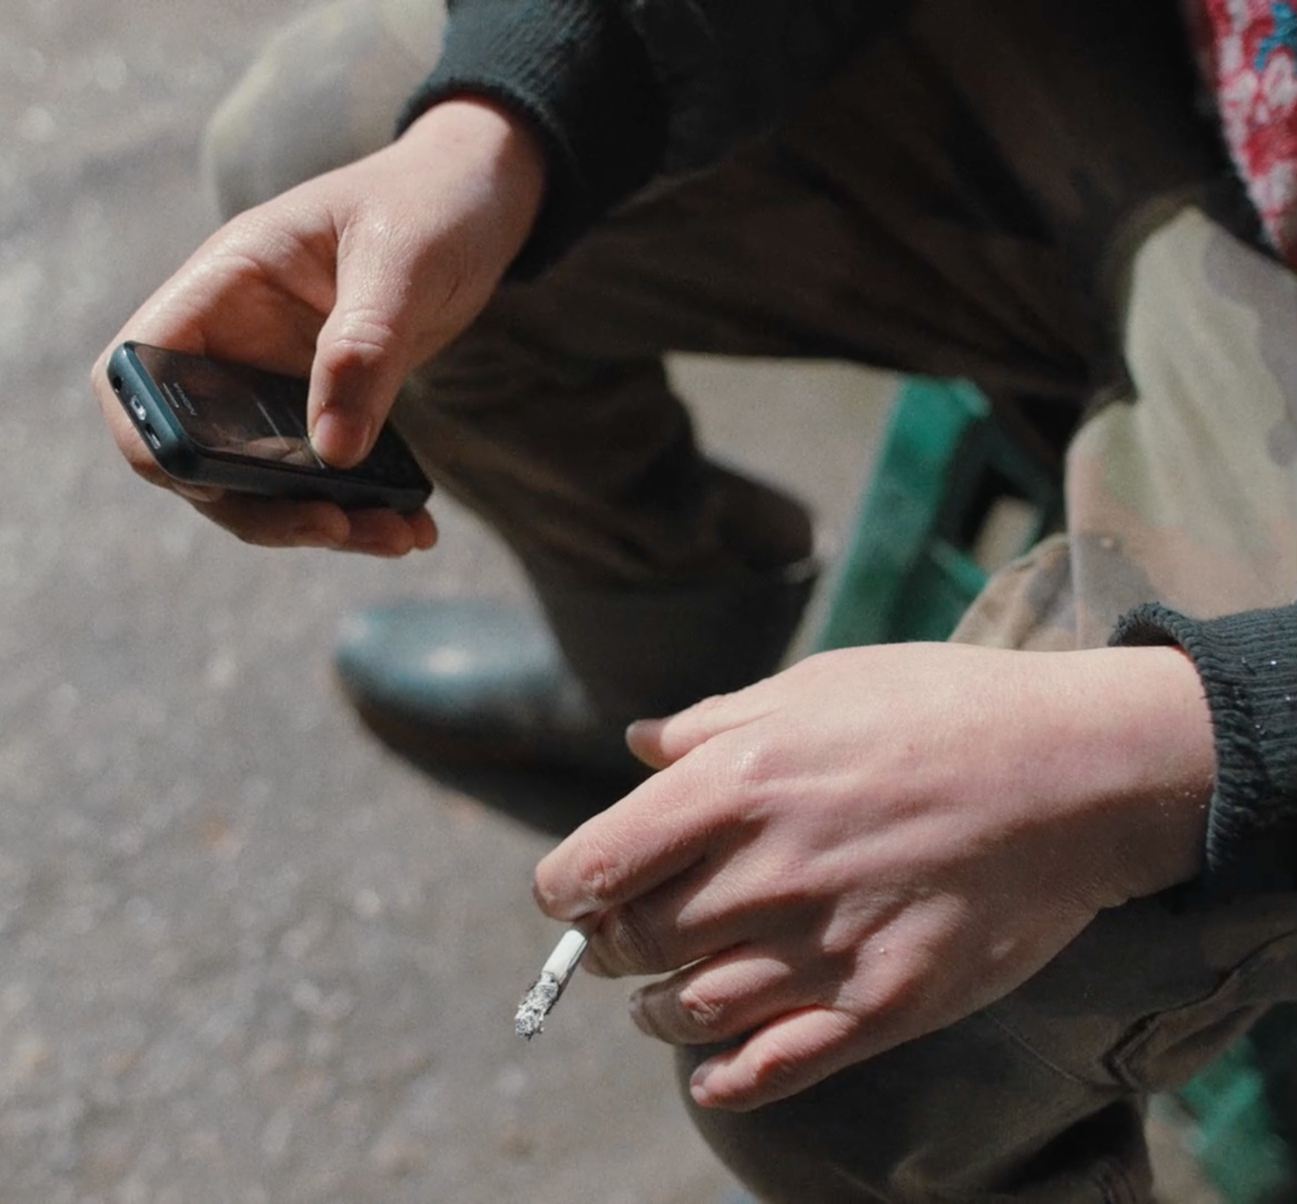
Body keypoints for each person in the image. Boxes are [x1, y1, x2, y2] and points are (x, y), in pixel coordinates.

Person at [92, 0, 1297, 1197]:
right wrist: (514, 109)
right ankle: (668, 697)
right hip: (1190, 86)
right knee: (330, 140)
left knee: (834, 1059)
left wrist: (1175, 740)